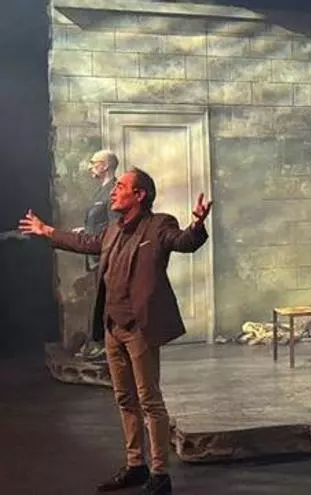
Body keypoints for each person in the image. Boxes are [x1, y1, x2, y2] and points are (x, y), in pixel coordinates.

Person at [19, 167, 212, 495]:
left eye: (120, 186)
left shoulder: (159, 224)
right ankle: (136, 465)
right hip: (113, 327)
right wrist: (46, 230)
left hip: (140, 329)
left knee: (149, 401)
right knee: (124, 398)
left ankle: (160, 475)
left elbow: (183, 242)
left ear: (139, 195)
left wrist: (197, 225)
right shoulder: (112, 230)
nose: (113, 191)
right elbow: (84, 242)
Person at [75, 150, 121, 360]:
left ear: (106, 165)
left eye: (94, 162)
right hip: (95, 255)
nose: (90, 166)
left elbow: (114, 227)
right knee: (98, 301)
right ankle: (98, 343)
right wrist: (85, 231)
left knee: (106, 302)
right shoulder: (100, 191)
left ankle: (104, 344)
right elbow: (99, 223)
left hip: (105, 256)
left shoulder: (114, 190)